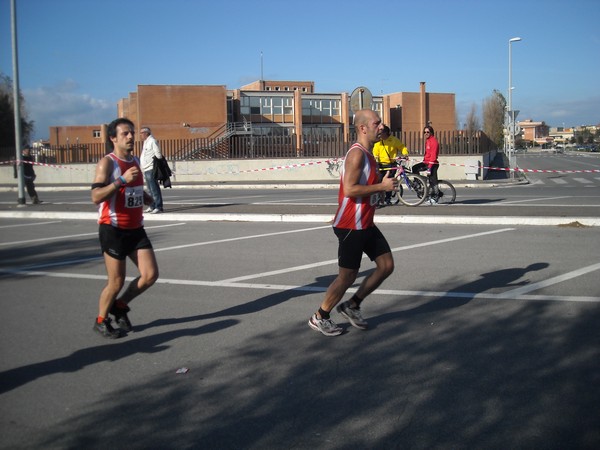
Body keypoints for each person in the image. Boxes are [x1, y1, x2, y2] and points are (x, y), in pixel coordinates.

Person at [308, 109, 398, 336]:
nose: (381, 127)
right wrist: (381, 187)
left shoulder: (370, 153)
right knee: (347, 276)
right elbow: (349, 189)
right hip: (350, 225)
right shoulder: (357, 154)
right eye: (377, 123)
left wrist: (382, 185)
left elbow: (365, 188)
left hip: (365, 223)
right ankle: (320, 316)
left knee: (386, 265)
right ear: (363, 128)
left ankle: (352, 305)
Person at [91, 118, 159, 339]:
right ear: (113, 138)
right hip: (113, 228)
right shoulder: (107, 163)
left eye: (132, 133)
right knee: (116, 281)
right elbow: (95, 196)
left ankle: (119, 306)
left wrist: (146, 197)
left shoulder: (136, 161)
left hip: (136, 228)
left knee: (150, 275)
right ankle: (101, 321)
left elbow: (134, 190)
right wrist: (120, 180)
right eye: (125, 134)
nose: (131, 137)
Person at [372, 125, 409, 205]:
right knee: (380, 181)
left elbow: (402, 147)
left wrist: (405, 153)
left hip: (391, 164)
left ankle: (387, 198)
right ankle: (378, 198)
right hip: (381, 164)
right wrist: (375, 157)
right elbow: (375, 150)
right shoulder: (378, 141)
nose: (379, 134)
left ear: (385, 133)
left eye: (381, 132)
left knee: (389, 181)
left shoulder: (394, 140)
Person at [412, 125, 440, 205]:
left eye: (428, 132)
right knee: (415, 168)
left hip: (432, 164)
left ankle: (436, 197)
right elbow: (427, 154)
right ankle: (418, 183)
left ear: (431, 132)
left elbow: (433, 156)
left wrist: (429, 168)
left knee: (433, 181)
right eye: (424, 132)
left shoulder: (434, 141)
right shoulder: (427, 141)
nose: (426, 133)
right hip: (426, 162)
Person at [140, 127, 164, 213]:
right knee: (149, 189)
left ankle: (158, 206)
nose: (141, 135)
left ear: (146, 133)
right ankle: (152, 205)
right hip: (146, 168)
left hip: (151, 168)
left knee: (154, 189)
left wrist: (157, 165)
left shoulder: (152, 141)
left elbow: (158, 154)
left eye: (142, 132)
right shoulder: (145, 142)